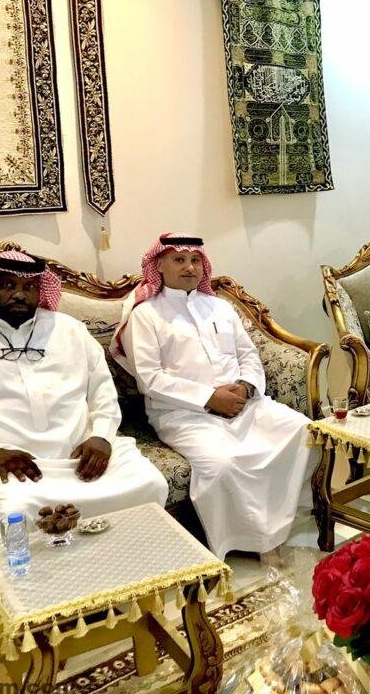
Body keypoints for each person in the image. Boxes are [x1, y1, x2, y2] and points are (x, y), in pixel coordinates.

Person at [0, 250, 168, 542]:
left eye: (30, 286)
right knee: (17, 510)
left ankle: (134, 566)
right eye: (8, 285)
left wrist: (101, 435)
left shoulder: (70, 330)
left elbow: (102, 389)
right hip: (12, 466)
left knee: (150, 483)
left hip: (81, 454)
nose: (20, 294)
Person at [111, 233, 315, 558]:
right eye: (179, 260)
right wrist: (209, 397)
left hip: (245, 405)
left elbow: (248, 355)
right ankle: (241, 543)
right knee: (221, 464)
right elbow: (150, 379)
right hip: (183, 414)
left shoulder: (221, 307)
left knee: (304, 431)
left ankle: (286, 524)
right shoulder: (145, 315)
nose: (189, 267)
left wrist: (246, 387)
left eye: (195, 260)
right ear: (159, 265)